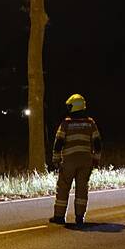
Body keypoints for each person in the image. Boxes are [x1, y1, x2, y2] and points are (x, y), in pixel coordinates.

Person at [50, 93, 103, 226]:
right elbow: (97, 143)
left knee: (63, 187)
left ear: (73, 107)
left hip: (69, 161)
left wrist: (56, 160)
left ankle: (59, 217)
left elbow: (58, 143)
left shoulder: (66, 123)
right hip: (86, 160)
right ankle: (80, 217)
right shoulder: (90, 123)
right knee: (82, 189)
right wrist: (96, 159)